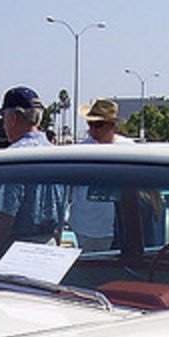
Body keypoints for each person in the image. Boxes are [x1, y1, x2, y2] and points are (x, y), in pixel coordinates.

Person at [0, 86, 63, 259]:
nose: (4, 125)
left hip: (16, 252)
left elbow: (6, 214)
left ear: (13, 118)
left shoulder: (13, 157)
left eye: (4, 118)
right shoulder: (58, 155)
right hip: (50, 247)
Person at [69, 99, 131, 251]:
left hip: (121, 228)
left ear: (111, 125)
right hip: (84, 228)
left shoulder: (128, 149)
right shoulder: (79, 152)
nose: (92, 129)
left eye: (98, 124)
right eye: (90, 124)